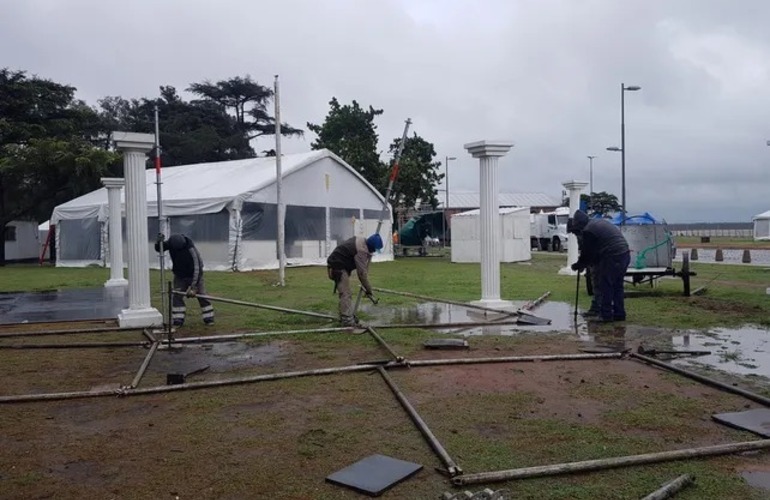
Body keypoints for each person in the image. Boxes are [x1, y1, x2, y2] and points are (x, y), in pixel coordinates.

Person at [568, 210, 630, 322]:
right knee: (617, 286)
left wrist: (579, 264)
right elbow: (593, 252)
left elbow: (588, 253)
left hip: (612, 255)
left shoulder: (588, 230)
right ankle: (619, 314)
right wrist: (582, 263)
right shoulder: (597, 223)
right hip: (624, 254)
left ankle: (605, 315)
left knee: (605, 286)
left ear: (580, 224)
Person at [155, 233, 214, 327]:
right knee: (177, 296)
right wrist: (159, 242)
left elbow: (197, 268)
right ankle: (178, 320)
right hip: (179, 276)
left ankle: (209, 318)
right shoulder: (171, 243)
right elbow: (159, 249)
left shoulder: (191, 249)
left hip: (194, 275)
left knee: (202, 296)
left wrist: (193, 286)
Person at [326, 233, 383, 326]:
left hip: (338, 263)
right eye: (374, 250)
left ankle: (345, 315)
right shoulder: (361, 251)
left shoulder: (361, 240)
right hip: (337, 266)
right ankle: (347, 320)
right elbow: (362, 275)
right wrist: (369, 290)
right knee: (345, 293)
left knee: (345, 293)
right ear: (371, 247)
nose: (373, 252)